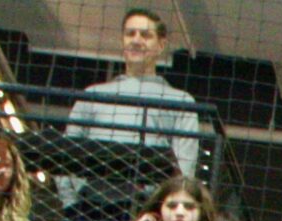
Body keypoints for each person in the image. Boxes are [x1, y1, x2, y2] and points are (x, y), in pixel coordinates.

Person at [61, 6, 203, 179]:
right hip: (91, 199)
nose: (136, 40)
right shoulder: (91, 96)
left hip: (150, 202)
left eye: (145, 35)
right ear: (122, 40)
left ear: (161, 45)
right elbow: (66, 156)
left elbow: (185, 169)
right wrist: (73, 204)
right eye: (130, 33)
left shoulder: (182, 101)